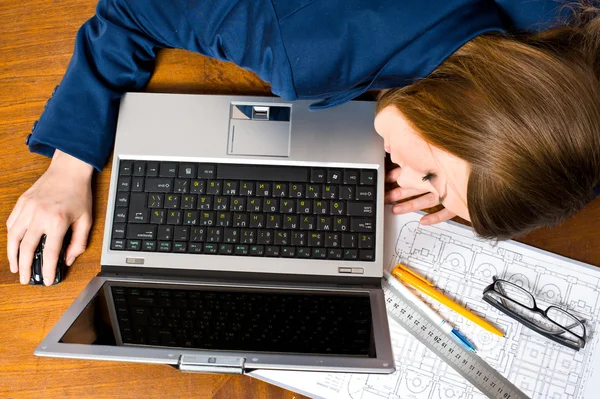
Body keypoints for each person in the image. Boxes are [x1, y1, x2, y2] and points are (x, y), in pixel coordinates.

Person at [6, 0, 600, 285]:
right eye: (432, 178)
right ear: (459, 109)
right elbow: (131, 12)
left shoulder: (571, 34)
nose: (406, 178)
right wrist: (70, 161)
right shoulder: (299, 43)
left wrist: (491, 171)